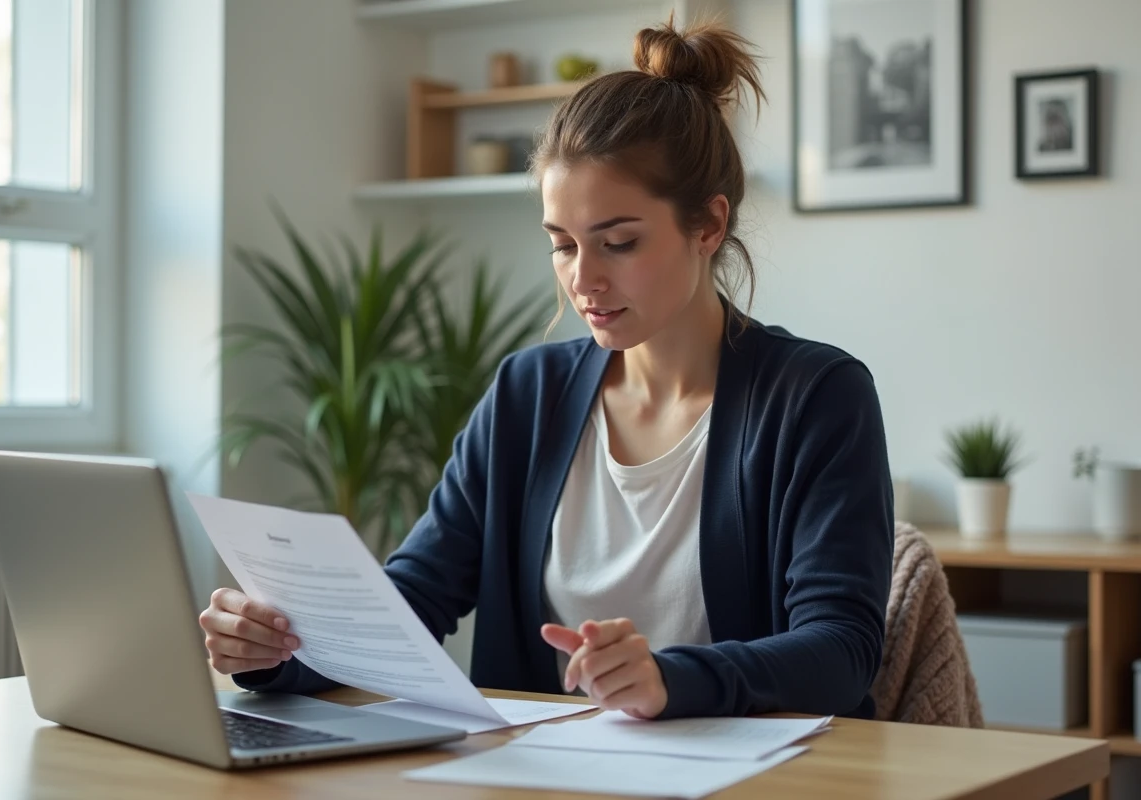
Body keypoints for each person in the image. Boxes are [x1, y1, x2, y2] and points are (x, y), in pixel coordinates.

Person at [199, 20, 894, 722]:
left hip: (759, 771)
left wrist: (673, 679)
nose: (583, 279)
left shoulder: (815, 396)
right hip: (539, 766)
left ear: (709, 226)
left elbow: (842, 650)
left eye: (619, 242)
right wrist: (278, 648)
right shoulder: (526, 395)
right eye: (562, 245)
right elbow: (414, 597)